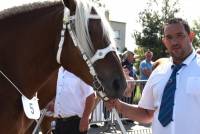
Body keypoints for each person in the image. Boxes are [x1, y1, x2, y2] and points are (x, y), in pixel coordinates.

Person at [106, 18, 200, 134]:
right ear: (164, 41)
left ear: (191, 36)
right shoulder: (158, 72)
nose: (174, 42)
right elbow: (146, 113)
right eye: (169, 37)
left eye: (180, 35)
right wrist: (118, 105)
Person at [52, 67, 96, 134]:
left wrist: (85, 118)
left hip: (76, 123)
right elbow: (62, 92)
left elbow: (91, 96)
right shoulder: (60, 70)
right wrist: (55, 105)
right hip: (60, 123)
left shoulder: (80, 71)